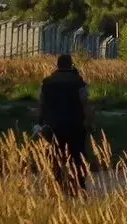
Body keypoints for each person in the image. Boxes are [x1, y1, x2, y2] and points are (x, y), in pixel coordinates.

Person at [37, 54, 93, 194]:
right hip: (75, 125)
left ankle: (58, 185)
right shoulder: (78, 82)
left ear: (57, 65)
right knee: (77, 156)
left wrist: (39, 122)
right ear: (71, 64)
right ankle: (79, 185)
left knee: (55, 156)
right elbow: (85, 104)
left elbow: (41, 104)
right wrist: (90, 123)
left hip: (53, 125)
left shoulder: (47, 82)